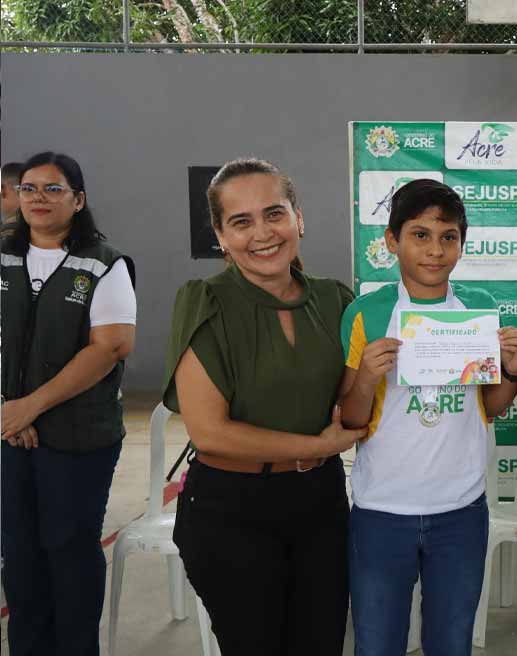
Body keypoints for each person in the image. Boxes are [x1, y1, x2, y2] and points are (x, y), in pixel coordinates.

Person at [163, 158, 366, 655]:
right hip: (231, 508)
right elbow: (210, 432)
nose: (263, 233)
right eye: (241, 221)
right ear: (220, 234)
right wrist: (317, 445)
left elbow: (352, 404)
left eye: (274, 214)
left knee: (320, 645)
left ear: (299, 217)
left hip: (319, 501)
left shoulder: (335, 300)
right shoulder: (204, 300)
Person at [339, 179, 517, 656]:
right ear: (391, 241)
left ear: (462, 245)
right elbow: (349, 419)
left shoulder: (479, 310)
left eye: (448, 237)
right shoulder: (366, 312)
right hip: (382, 509)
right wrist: (365, 377)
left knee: (451, 643)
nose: (435, 250)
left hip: (460, 509)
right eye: (420, 235)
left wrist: (512, 370)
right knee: (378, 643)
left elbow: (490, 407)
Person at [1, 151, 137, 656]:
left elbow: (110, 348)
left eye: (53, 189)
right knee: (19, 555)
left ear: (78, 200)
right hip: (8, 432)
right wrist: (7, 412)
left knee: (68, 549)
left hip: (81, 437)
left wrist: (29, 407)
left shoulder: (104, 263)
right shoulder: (3, 255)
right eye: (29, 188)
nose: (38, 198)